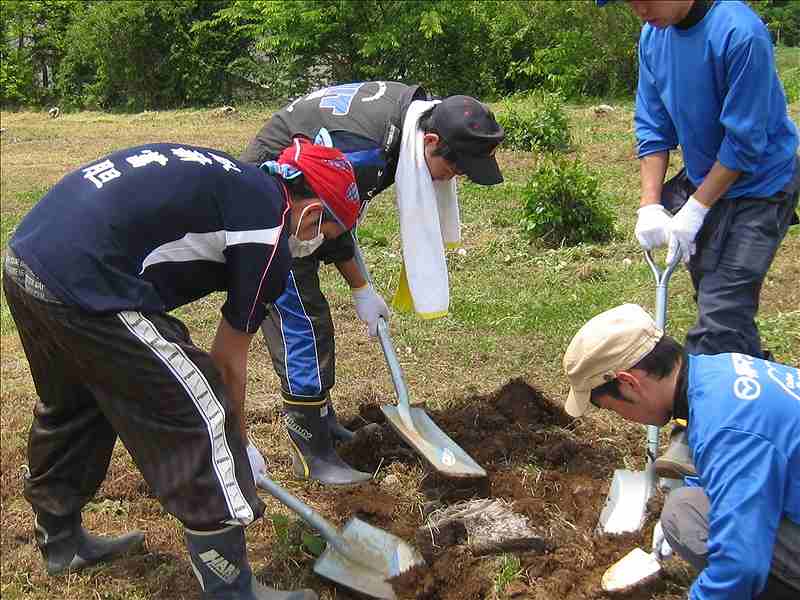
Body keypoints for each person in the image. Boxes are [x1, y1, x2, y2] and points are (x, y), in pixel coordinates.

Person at [3, 139, 362, 600]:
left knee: (76, 402)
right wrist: (235, 441)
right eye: (327, 235)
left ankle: (62, 542)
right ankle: (232, 590)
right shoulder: (268, 232)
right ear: (312, 215)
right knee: (201, 413)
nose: (318, 245)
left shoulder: (241, 182)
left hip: (28, 257)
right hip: (86, 278)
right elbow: (229, 362)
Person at [241, 81, 506, 485]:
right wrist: (359, 286)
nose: (452, 178)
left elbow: (339, 217)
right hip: (275, 207)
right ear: (431, 141)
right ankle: (311, 451)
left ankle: (323, 421)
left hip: (311, 205)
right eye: (454, 168)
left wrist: (361, 289)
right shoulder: (366, 151)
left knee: (312, 321)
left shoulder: (406, 124)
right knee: (303, 324)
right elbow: (329, 214)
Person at [597, 0, 800, 477]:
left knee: (722, 309)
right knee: (721, 309)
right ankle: (772, 403)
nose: (638, 9)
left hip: (762, 185)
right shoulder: (654, 35)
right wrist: (651, 203)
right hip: (705, 179)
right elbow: (653, 124)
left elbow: (746, 140)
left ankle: (696, 431)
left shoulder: (739, 34)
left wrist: (695, 209)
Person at [563, 303, 800, 600]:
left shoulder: (728, 429)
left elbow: (739, 565)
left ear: (629, 382)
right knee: (685, 508)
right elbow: (728, 469)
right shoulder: (719, 373)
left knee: (690, 519)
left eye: (614, 409)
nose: (624, 419)